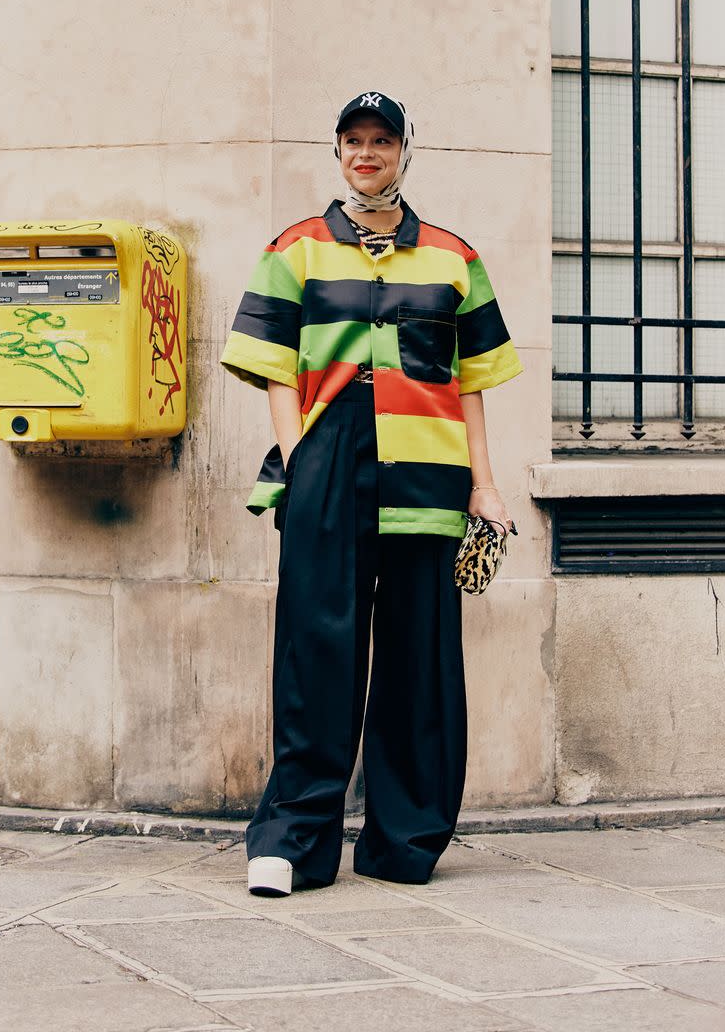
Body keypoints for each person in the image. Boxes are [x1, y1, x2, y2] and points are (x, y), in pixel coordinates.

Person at [221, 91, 522, 896]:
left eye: (381, 141)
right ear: (338, 152)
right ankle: (293, 840)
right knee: (316, 652)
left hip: (430, 467)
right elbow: (274, 367)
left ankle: (405, 840)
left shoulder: (454, 257)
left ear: (404, 151)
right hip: (329, 457)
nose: (366, 154)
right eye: (353, 140)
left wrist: (486, 487)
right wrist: (301, 457)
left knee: (419, 660)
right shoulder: (297, 248)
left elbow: (472, 383)